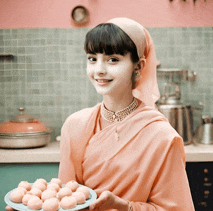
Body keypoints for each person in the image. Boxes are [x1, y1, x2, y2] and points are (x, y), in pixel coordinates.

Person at [58, 17, 195, 211]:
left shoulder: (162, 136)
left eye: (113, 59)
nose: (99, 70)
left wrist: (124, 206)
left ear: (138, 66)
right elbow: (66, 199)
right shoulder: (75, 125)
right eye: (92, 59)